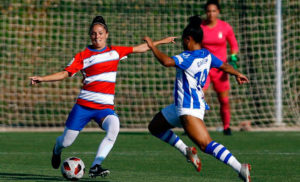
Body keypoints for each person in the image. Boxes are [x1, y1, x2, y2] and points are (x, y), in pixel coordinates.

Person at [30, 16, 176, 178]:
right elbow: (65, 73)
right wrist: (42, 78)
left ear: (106, 34)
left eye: (100, 33)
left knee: (114, 127)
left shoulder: (115, 52)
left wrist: (161, 41)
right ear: (90, 36)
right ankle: (57, 150)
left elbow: (140, 48)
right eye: (93, 33)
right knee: (66, 142)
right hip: (83, 107)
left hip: (104, 108)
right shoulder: (83, 55)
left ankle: (95, 166)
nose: (97, 36)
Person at [143, 15, 251, 182]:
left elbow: (165, 61)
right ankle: (186, 150)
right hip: (181, 106)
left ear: (189, 39)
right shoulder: (206, 55)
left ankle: (240, 167)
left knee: (205, 144)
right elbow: (223, 65)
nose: (182, 44)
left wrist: (152, 46)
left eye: (183, 40)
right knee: (155, 127)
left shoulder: (187, 57)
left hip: (189, 109)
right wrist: (237, 74)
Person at [201, 0, 240, 135]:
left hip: (220, 69)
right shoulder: (201, 27)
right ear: (206, 12)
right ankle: (194, 126)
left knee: (223, 100)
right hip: (204, 68)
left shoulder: (225, 27)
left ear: (218, 12)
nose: (211, 14)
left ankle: (226, 126)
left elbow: (234, 45)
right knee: (199, 96)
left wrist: (233, 57)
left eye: (214, 11)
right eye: (208, 11)